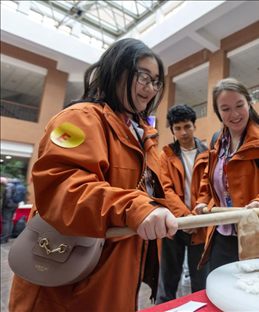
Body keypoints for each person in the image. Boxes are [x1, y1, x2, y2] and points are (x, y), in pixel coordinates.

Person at [9, 38, 178, 312]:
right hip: (68, 272)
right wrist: (134, 208)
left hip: (116, 269)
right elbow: (63, 189)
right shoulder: (79, 118)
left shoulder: (143, 135)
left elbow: (153, 193)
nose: (150, 89)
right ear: (116, 71)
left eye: (156, 81)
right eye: (143, 77)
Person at [194, 78, 259, 272]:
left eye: (239, 105)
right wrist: (204, 201)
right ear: (218, 113)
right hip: (222, 235)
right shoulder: (217, 142)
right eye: (226, 109)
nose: (234, 114)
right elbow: (208, 179)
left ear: (249, 103)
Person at [157, 104, 209, 303]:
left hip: (200, 225)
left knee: (201, 283)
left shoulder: (208, 154)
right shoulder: (165, 155)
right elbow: (165, 189)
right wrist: (185, 218)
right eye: (177, 128)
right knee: (167, 282)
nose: (183, 132)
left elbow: (209, 188)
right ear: (172, 130)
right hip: (173, 224)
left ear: (195, 126)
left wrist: (195, 218)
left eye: (187, 126)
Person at [1, 177, 22, 244]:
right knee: (10, 220)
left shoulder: (10, 185)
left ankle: (4, 238)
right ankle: (8, 235)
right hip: (15, 205)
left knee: (5, 221)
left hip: (8, 206)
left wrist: (4, 205)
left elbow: (8, 196)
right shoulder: (17, 186)